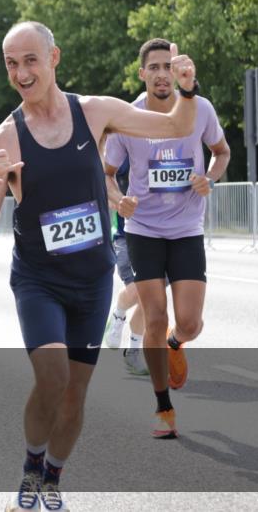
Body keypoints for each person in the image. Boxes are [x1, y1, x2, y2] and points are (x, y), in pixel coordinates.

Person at [0, 23, 198, 511]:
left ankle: (53, 479)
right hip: (39, 279)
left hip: (92, 281)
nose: (21, 72)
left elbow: (177, 126)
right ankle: (31, 472)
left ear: (54, 57)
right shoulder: (6, 135)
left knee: (75, 392)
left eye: (30, 60)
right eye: (11, 63)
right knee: (51, 376)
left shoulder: (95, 113)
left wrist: (186, 87)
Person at [103, 37, 230, 439]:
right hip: (143, 231)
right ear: (142, 74)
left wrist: (209, 178)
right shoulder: (128, 117)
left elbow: (221, 152)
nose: (161, 74)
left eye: (167, 67)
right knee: (154, 317)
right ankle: (163, 408)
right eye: (153, 67)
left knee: (190, 323)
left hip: (187, 229)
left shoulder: (200, 108)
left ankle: (176, 343)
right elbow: (106, 173)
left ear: (178, 72)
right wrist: (118, 199)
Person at [101, 156, 148, 375]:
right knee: (138, 290)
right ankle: (119, 314)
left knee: (151, 299)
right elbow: (106, 184)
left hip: (162, 235)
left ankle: (133, 353)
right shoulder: (119, 150)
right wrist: (119, 201)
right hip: (127, 236)